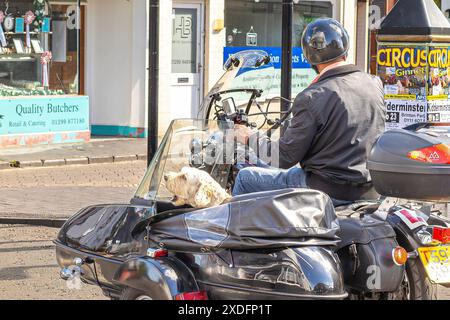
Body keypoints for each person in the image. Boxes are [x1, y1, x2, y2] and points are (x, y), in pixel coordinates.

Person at [232, 18, 385, 205]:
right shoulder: (374, 83)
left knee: (246, 177)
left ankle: (239, 233)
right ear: (344, 47)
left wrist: (249, 137)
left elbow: (283, 157)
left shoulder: (312, 96)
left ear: (309, 54)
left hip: (325, 188)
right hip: (368, 188)